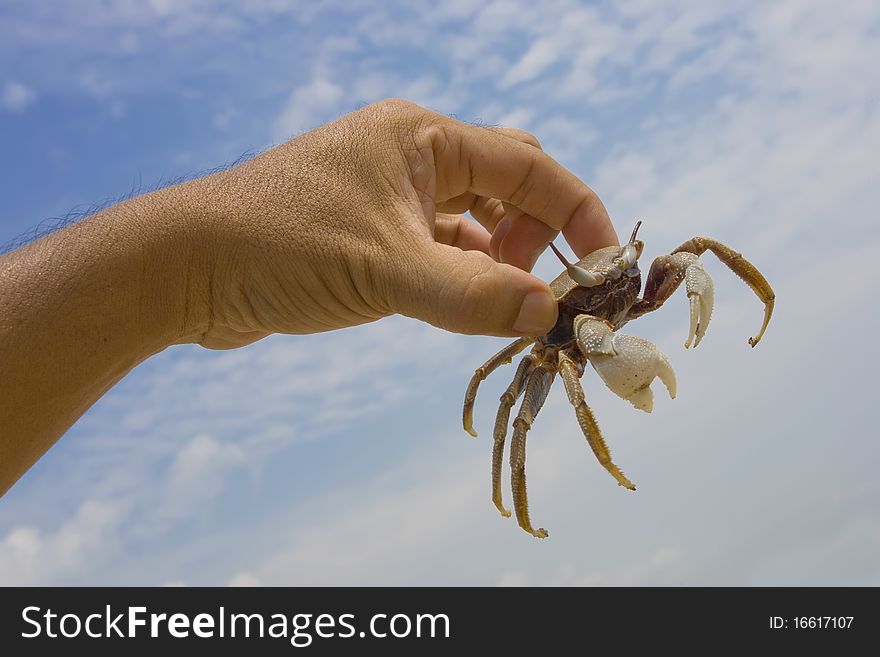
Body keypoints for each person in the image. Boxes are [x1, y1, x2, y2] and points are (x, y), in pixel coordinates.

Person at [0, 98, 618, 495]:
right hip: (561, 336)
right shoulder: (545, 328)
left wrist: (197, 279)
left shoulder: (628, 272)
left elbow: (690, 257)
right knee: (520, 410)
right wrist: (200, 268)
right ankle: (567, 477)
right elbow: (493, 374)